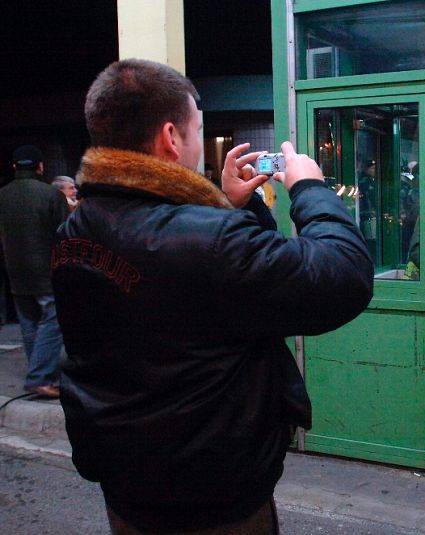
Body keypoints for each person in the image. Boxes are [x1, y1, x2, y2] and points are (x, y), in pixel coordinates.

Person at [51, 59, 373, 535]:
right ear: (171, 137)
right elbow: (342, 277)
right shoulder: (210, 241)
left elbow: (180, 304)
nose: (200, 140)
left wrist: (226, 207)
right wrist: (309, 187)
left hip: (128, 487)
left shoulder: (73, 233)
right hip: (213, 500)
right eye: (198, 128)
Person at [0, 145, 69, 398]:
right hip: (46, 271)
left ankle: (38, 371)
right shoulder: (51, 195)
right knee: (54, 319)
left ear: (15, 167)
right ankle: (39, 377)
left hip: (15, 271)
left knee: (28, 323)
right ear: (40, 167)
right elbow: (64, 234)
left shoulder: (3, 195)